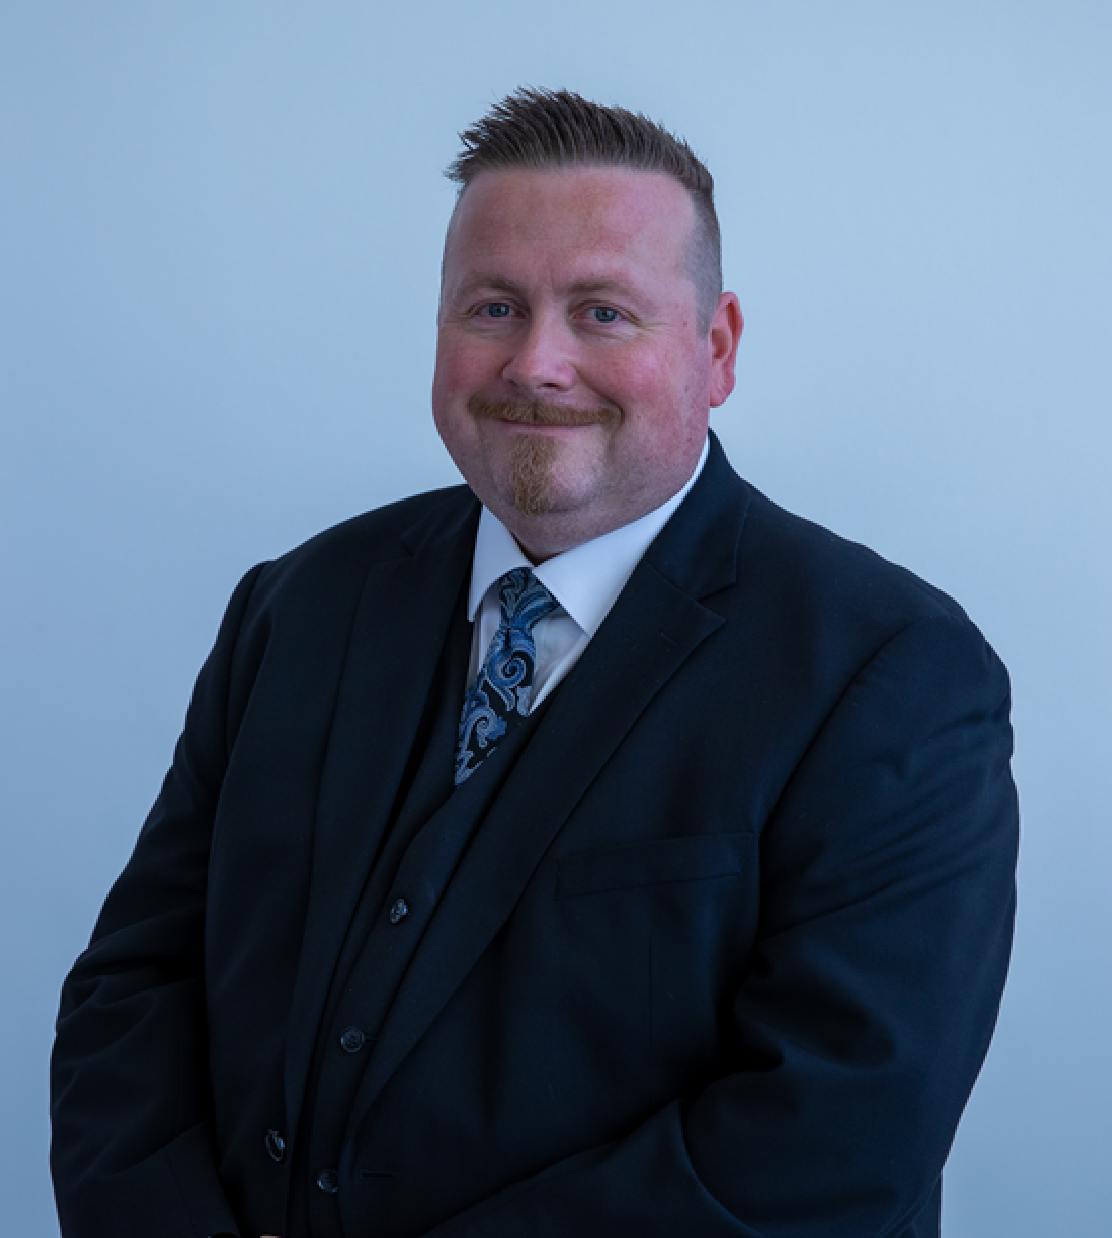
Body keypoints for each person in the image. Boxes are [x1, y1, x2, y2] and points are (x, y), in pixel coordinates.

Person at [50, 88, 1019, 1238]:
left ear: (714, 349)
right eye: (493, 306)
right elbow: (134, 989)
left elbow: (831, 1144)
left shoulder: (889, 672)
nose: (535, 363)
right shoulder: (295, 604)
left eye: (602, 311)